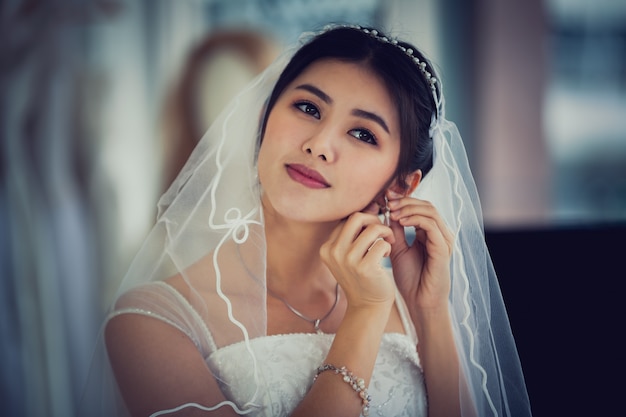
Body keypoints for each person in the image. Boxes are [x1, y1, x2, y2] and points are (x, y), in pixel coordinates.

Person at [80, 24, 532, 417]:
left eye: (362, 133)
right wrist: (366, 314)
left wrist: (430, 313)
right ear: (264, 121)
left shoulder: (413, 305)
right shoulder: (150, 321)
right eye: (308, 108)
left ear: (400, 185)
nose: (318, 144)